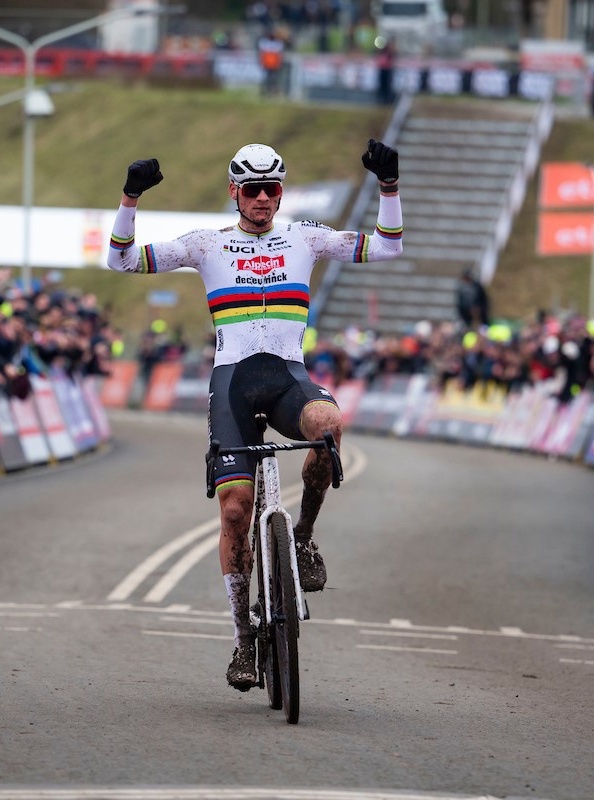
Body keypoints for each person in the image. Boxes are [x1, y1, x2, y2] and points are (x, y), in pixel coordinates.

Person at [107, 140, 403, 691]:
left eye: (272, 190)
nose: (263, 200)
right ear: (234, 192)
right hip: (233, 384)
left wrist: (388, 188)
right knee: (237, 510)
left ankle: (303, 537)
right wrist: (130, 197)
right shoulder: (206, 243)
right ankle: (244, 641)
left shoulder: (305, 237)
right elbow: (120, 259)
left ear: (281, 193)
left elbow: (387, 249)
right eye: (252, 190)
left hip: (287, 376)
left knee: (329, 429)